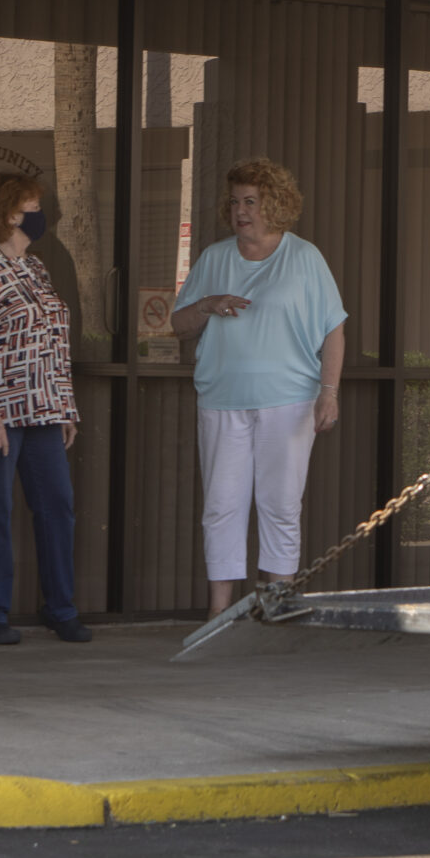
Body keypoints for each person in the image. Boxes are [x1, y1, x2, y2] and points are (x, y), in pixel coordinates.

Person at [171, 158, 346, 615]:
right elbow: (178, 324)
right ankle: (220, 611)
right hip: (222, 400)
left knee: (280, 505)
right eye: (234, 202)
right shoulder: (214, 257)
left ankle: (277, 606)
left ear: (275, 205)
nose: (240, 211)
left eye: (251, 201)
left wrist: (329, 392)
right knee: (222, 506)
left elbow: (334, 330)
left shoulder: (304, 257)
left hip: (289, 401)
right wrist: (208, 303)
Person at [0, 171, 90, 646]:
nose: (40, 214)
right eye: (33, 206)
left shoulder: (37, 269)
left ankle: (62, 607)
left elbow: (55, 343)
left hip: (45, 412)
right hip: (0, 413)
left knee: (58, 507)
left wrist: (66, 407)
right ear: (10, 213)